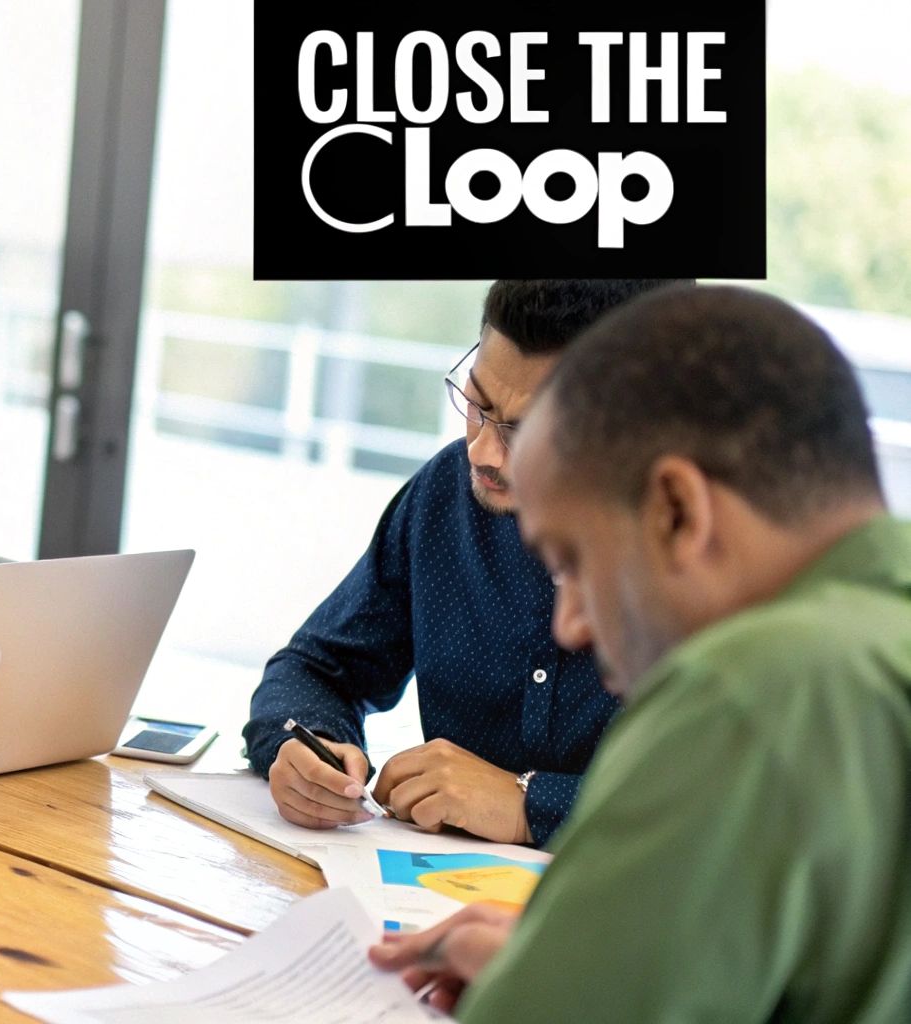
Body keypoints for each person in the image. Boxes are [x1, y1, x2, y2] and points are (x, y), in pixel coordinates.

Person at [370, 285, 911, 1022]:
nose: (569, 625)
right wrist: (591, 956)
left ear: (678, 511)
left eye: (577, 561)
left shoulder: (746, 693)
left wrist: (551, 989)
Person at [246, 280, 684, 846]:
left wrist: (533, 804)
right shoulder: (446, 494)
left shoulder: (714, 561)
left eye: (524, 432)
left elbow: (747, 811)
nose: (481, 451)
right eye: (477, 404)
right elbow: (314, 668)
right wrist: (306, 750)